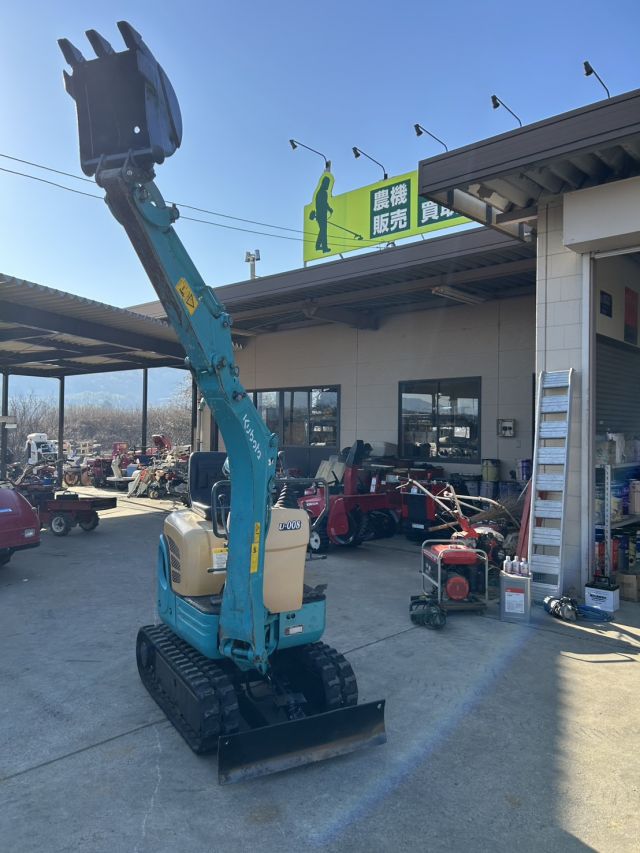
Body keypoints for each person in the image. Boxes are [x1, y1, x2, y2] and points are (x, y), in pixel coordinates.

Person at [312, 176, 333, 253]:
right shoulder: (322, 192)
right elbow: (324, 203)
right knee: (323, 231)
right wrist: (329, 209)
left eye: (328, 184)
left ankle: (318, 246)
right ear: (324, 183)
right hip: (321, 215)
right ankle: (324, 248)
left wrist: (329, 209)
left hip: (320, 215)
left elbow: (324, 203)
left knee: (322, 231)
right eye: (327, 184)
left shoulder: (320, 192)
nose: (328, 186)